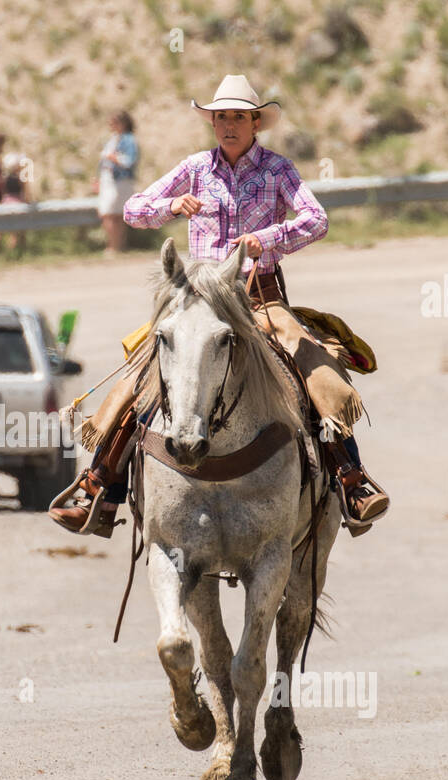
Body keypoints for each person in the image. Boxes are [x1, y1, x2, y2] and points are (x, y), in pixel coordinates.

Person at [49, 74, 389, 538]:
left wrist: (265, 239)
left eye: (237, 117)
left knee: (313, 368)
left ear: (255, 123)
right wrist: (172, 204)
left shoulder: (278, 170)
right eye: (220, 117)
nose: (228, 125)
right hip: (200, 298)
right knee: (142, 372)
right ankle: (100, 487)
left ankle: (351, 479)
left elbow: (316, 220)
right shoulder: (195, 168)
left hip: (258, 297)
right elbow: (133, 209)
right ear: (212, 123)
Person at [97, 111, 139, 255]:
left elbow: (129, 161)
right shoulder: (113, 139)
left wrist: (114, 158)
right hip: (109, 179)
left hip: (120, 180)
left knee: (114, 214)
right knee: (108, 213)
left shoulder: (128, 140)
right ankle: (115, 245)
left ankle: (116, 246)